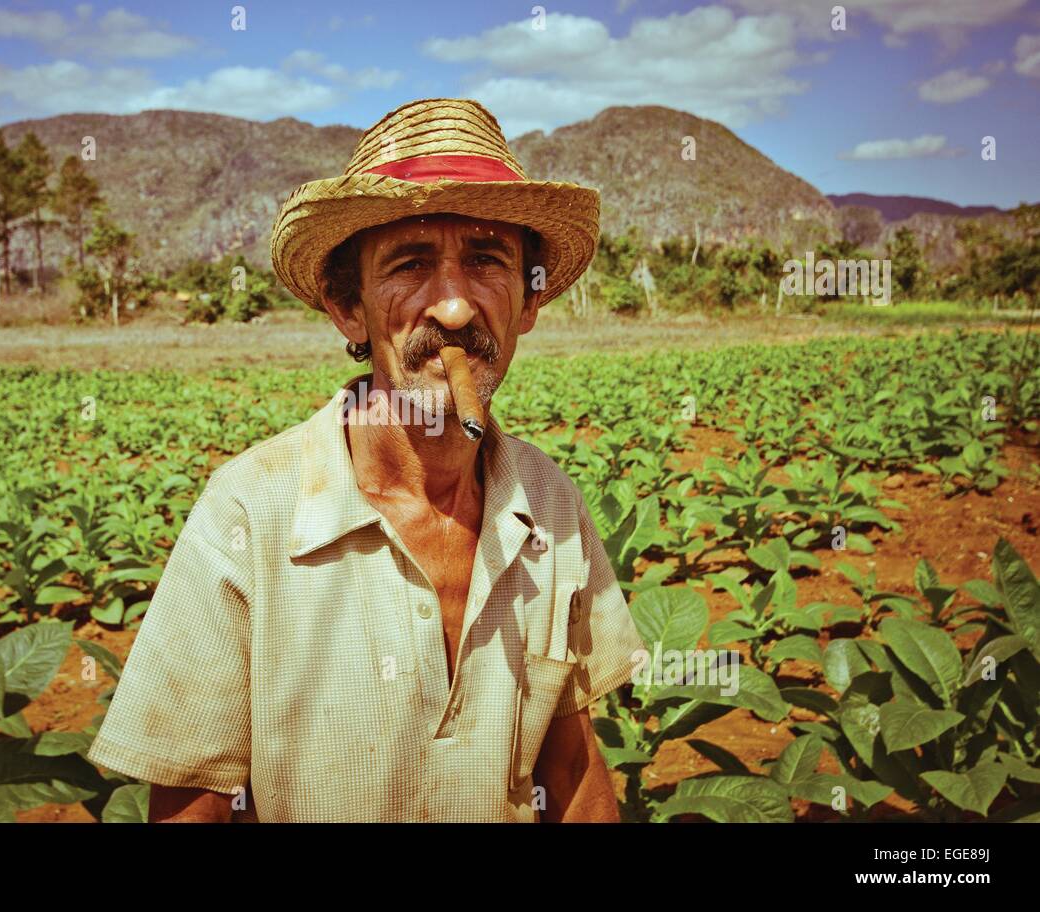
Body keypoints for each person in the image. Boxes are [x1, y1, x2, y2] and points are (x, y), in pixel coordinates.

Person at [87, 97, 645, 822]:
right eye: (411, 264)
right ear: (350, 310)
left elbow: (571, 768)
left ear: (528, 303)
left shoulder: (552, 503)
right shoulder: (250, 513)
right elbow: (191, 808)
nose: (454, 308)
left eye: (486, 261)